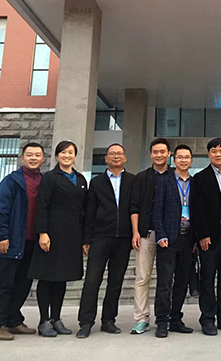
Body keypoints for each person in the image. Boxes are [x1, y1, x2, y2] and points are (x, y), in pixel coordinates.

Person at [28, 141, 88, 337]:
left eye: (70, 152)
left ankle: (56, 318)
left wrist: (84, 238)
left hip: (71, 237)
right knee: (47, 277)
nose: (67, 155)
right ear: (56, 156)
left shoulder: (80, 179)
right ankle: (44, 320)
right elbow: (42, 206)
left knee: (61, 278)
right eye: (63, 152)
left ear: (75, 156)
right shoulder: (50, 178)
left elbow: (84, 208)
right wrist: (42, 233)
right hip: (52, 234)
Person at [0, 143, 45, 341]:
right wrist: (2, 236)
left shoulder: (44, 181)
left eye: (37, 155)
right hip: (11, 241)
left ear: (43, 159)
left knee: (23, 284)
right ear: (22, 158)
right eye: (29, 155)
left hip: (32, 243)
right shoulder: (11, 181)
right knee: (4, 284)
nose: (33, 158)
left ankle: (13, 321)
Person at [76, 143, 135, 338]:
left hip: (123, 239)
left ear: (125, 158)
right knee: (92, 280)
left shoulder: (132, 180)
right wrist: (86, 239)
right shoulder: (96, 182)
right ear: (106, 158)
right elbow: (90, 211)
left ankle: (109, 320)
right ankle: (86, 322)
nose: (116, 156)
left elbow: (135, 208)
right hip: (100, 237)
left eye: (119, 153)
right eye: (112, 154)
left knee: (116, 281)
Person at [190, 138, 221, 336]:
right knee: (208, 277)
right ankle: (207, 318)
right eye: (214, 151)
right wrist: (202, 234)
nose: (218, 154)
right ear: (208, 154)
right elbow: (197, 208)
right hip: (210, 235)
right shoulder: (200, 178)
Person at [153, 144, 196, 338]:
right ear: (174, 160)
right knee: (164, 282)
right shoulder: (164, 181)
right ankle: (162, 321)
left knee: (182, 281)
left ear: (191, 160)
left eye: (187, 157)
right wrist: (161, 235)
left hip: (188, 240)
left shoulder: (195, 183)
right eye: (180, 157)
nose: (183, 160)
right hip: (168, 239)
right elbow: (157, 211)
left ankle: (175, 318)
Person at [129, 137, 171, 334]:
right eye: (155, 152)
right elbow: (134, 207)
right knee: (142, 277)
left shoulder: (174, 176)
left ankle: (165, 317)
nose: (159, 155)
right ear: (151, 154)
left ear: (169, 154)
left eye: (163, 151)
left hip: (169, 235)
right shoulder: (142, 177)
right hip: (146, 233)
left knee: (166, 279)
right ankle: (141, 318)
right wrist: (135, 232)